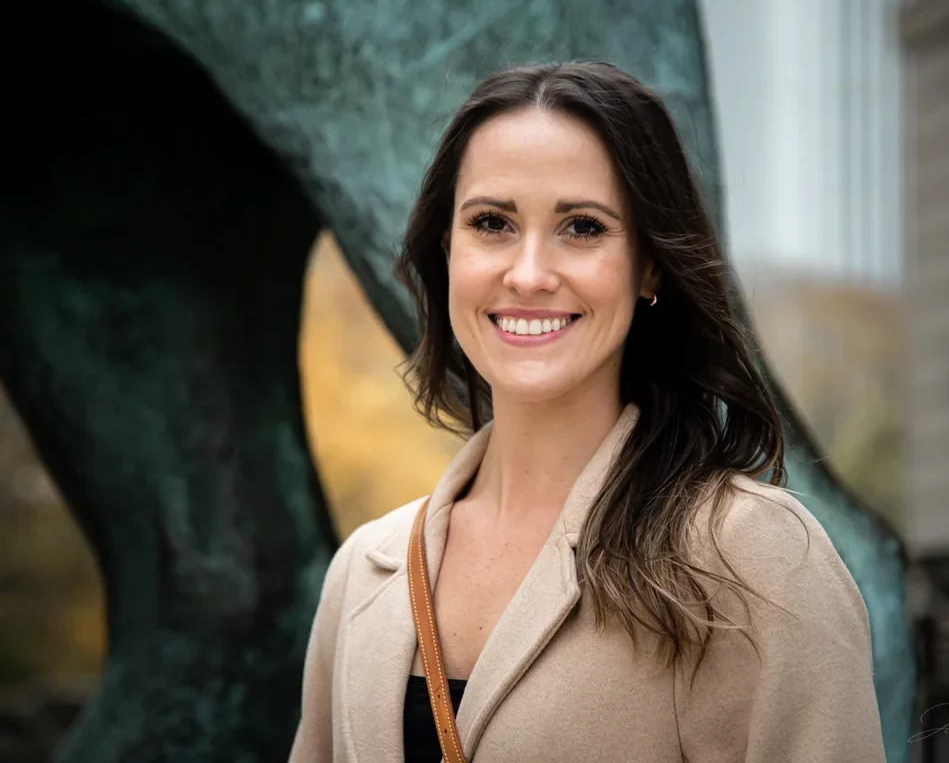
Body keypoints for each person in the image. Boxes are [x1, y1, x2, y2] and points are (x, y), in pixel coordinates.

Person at [288, 60, 886, 763]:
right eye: (491, 223)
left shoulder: (752, 560)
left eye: (581, 227)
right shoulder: (363, 574)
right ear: (448, 250)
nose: (530, 273)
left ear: (650, 266)